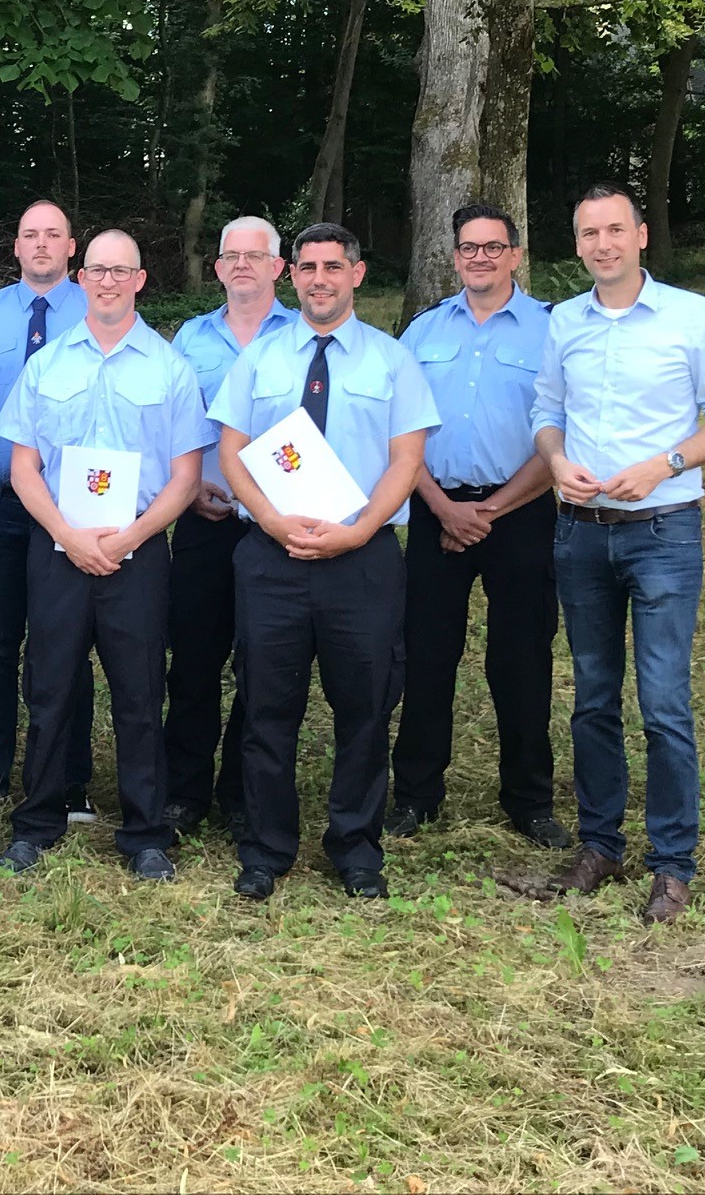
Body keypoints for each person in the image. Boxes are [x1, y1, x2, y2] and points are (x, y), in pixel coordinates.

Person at [531, 184, 705, 924]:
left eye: (615, 230)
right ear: (578, 243)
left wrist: (666, 463)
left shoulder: (692, 316)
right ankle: (600, 845)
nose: (603, 244)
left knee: (662, 704)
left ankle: (672, 863)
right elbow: (547, 413)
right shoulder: (565, 321)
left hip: (663, 532)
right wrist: (557, 463)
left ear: (642, 236)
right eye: (589, 232)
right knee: (592, 698)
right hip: (580, 530)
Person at [211, 222, 439, 902]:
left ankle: (356, 849)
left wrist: (361, 529)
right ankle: (266, 848)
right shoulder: (260, 359)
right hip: (270, 557)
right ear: (293, 276)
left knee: (364, 708)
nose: (318, 279)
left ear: (357, 274)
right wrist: (274, 521)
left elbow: (407, 460)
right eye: (307, 267)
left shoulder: (392, 361)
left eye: (332, 266)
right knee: (266, 708)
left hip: (360, 560)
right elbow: (231, 451)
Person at [0, 230, 214, 880]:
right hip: (58, 550)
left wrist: (132, 536)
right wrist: (68, 531)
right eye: (97, 271)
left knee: (140, 693)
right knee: (51, 687)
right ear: (79, 280)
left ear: (141, 280)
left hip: (136, 555)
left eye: (121, 271)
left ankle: (146, 832)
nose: (109, 282)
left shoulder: (169, 368)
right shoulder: (48, 364)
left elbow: (185, 474)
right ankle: (37, 822)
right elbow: (24, 467)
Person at [389, 205, 569, 848]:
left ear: (516, 255)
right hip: (435, 509)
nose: (481, 258)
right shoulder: (422, 332)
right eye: (469, 248)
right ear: (455, 257)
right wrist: (441, 507)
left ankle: (529, 799)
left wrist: (488, 511)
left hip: (519, 513)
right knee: (427, 658)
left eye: (494, 247)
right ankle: (414, 795)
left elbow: (561, 439)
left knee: (520, 660)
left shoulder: (553, 330)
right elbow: (399, 433)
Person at [0, 200, 97, 822]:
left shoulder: (98, 311)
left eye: (52, 235)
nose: (40, 244)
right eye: (29, 234)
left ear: (71, 247)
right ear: (15, 246)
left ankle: (68, 780)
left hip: (75, 509)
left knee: (67, 645)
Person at [163, 216, 294, 837]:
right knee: (193, 659)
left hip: (276, 527)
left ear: (279, 267)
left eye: (255, 255)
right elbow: (166, 429)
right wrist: (183, 494)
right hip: (203, 521)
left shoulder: (302, 339)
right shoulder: (188, 341)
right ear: (216, 268)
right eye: (230, 255)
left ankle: (242, 790)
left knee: (262, 661)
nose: (242, 264)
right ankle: (183, 790)